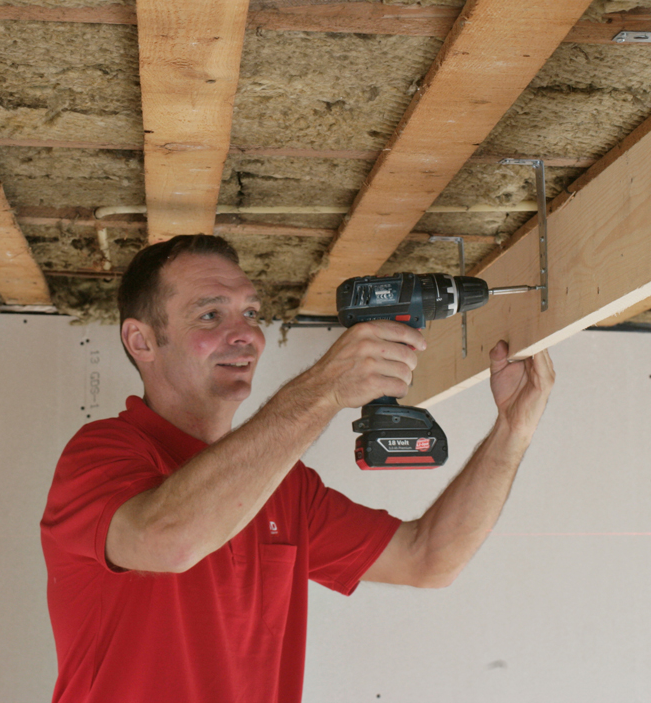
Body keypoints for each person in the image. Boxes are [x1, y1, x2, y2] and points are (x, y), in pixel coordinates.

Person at [41, 234, 555, 703]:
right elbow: (170, 540)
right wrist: (324, 388)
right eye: (210, 315)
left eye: (250, 312)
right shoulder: (102, 456)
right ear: (141, 341)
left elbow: (428, 558)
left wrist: (513, 430)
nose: (245, 334)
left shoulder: (283, 487)